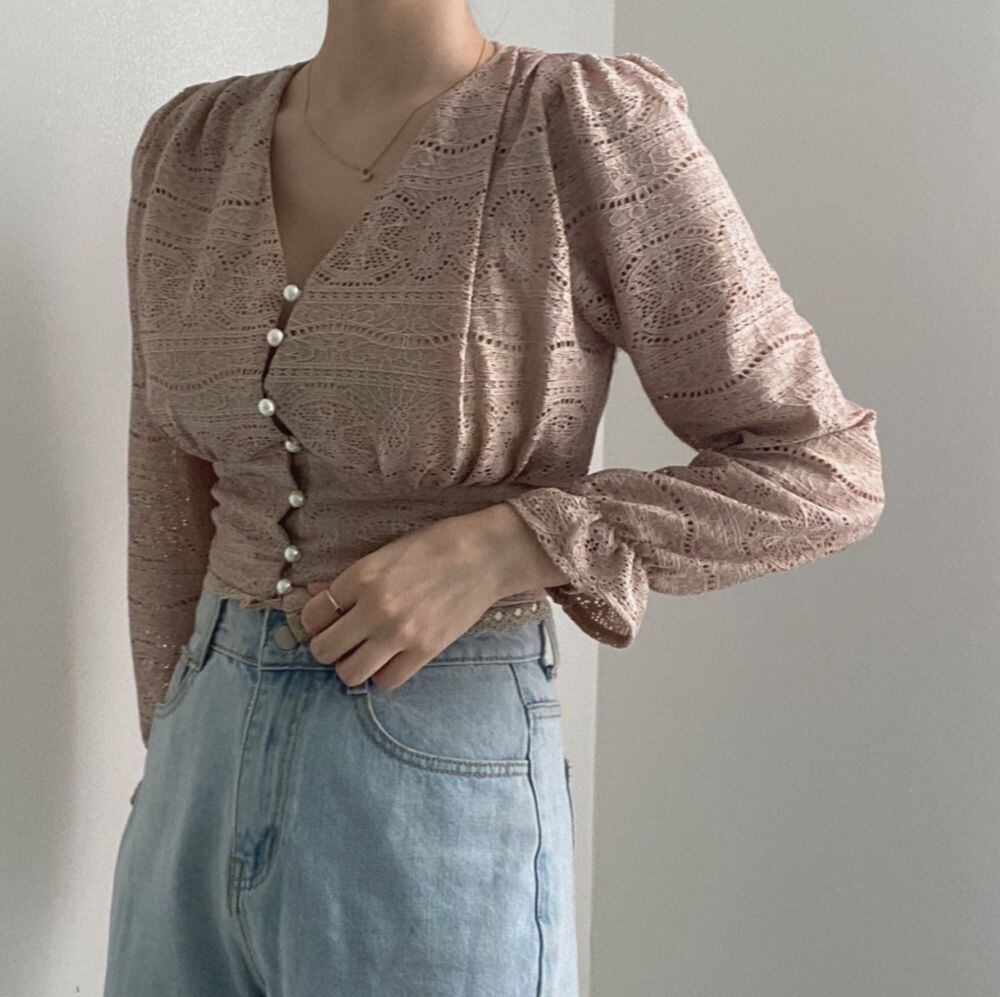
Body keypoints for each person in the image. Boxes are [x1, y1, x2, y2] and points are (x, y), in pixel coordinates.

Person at [103, 7, 885, 995]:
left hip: (431, 771)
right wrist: (172, 746)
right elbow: (166, 491)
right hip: (194, 775)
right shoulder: (190, 146)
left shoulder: (576, 126)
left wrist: (517, 542)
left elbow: (824, 467)